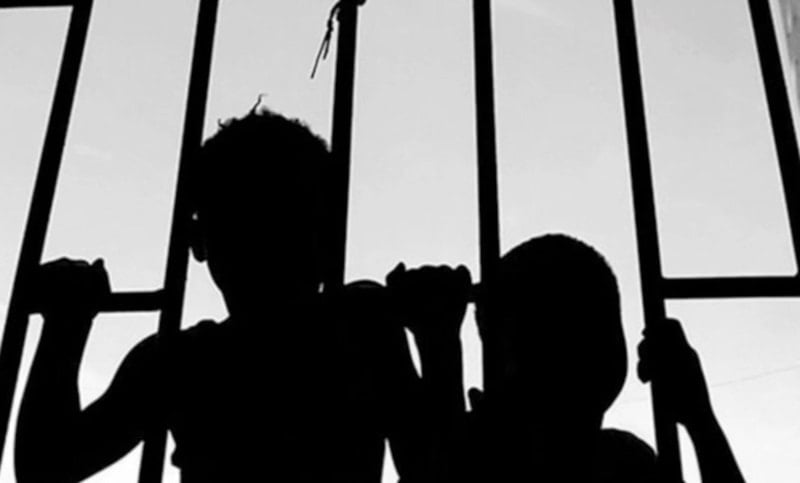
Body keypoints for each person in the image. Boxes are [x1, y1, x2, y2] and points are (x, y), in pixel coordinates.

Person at [15, 107, 423, 482]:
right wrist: (436, 339)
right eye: (244, 217)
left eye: (286, 215)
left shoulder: (182, 361)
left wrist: (65, 325)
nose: (266, 239)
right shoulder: (361, 326)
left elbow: (45, 468)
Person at [388, 234, 745, 482]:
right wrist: (701, 423)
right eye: (559, 326)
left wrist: (438, 346)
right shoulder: (622, 462)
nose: (587, 348)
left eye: (598, 321)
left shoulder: (624, 461)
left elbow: (438, 464)